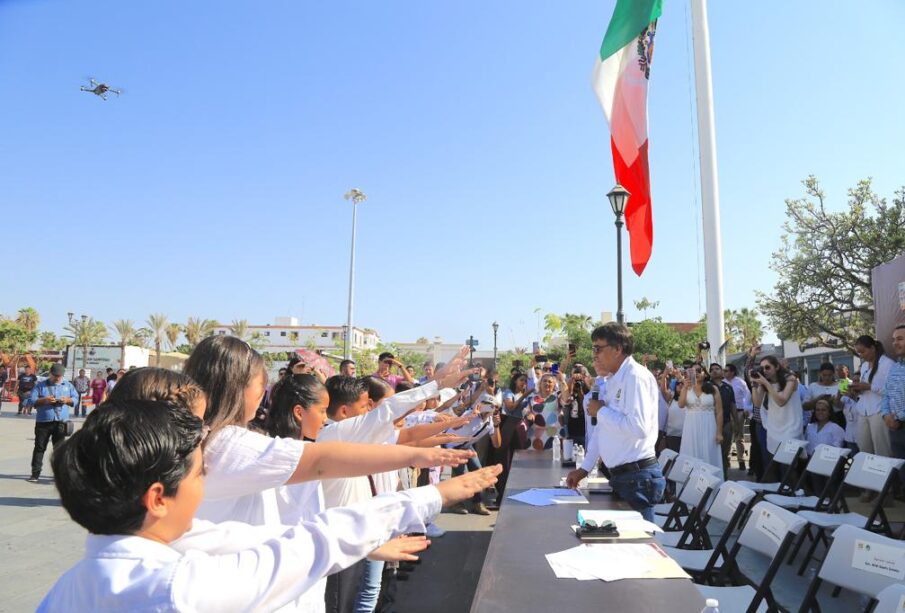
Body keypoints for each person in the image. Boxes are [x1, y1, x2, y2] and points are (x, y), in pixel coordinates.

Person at [38, 399, 501, 612]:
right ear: (158, 498)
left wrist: (373, 542)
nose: (204, 484)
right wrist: (432, 494)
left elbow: (258, 538)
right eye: (200, 473)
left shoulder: (68, 586)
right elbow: (307, 544)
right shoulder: (178, 590)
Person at [566, 323, 665, 522]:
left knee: (637, 548)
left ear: (618, 349)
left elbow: (639, 428)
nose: (594, 355)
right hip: (624, 477)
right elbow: (602, 431)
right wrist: (584, 468)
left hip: (637, 477)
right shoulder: (613, 379)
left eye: (598, 349)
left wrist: (600, 410)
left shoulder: (635, 377)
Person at [26, 363, 77, 482]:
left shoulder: (68, 385)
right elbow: (30, 401)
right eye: (55, 376)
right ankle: (35, 473)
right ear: (50, 373)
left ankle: (59, 475)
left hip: (61, 422)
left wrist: (67, 400)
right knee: (39, 447)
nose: (57, 378)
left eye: (59, 376)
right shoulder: (40, 386)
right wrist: (45, 400)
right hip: (43, 422)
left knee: (59, 450)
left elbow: (75, 398)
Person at [750, 355, 801, 472]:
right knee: (773, 467)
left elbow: (781, 401)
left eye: (767, 367)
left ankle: (791, 489)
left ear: (777, 367)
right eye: (762, 368)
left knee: (788, 468)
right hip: (774, 428)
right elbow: (757, 403)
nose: (764, 371)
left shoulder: (790, 379)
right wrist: (754, 384)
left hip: (791, 427)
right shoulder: (765, 382)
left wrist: (766, 384)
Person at [851, 334, 894, 460]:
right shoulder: (864, 366)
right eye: (858, 352)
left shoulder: (887, 364)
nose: (861, 355)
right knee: (864, 450)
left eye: (863, 351)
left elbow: (891, 390)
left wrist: (869, 387)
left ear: (873, 348)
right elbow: (864, 390)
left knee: (882, 451)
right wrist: (855, 390)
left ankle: (886, 478)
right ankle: (868, 478)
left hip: (879, 411)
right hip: (863, 411)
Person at [678, 365, 723, 471]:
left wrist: (719, 433)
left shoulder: (713, 388)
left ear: (705, 373)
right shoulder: (686, 388)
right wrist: (685, 387)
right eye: (693, 371)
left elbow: (720, 412)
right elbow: (681, 405)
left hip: (709, 427)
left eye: (699, 370)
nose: (696, 373)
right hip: (691, 429)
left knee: (709, 454)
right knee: (691, 454)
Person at [880, 324, 905, 463]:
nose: (895, 343)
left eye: (900, 339)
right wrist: (885, 415)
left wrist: (898, 418)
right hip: (895, 431)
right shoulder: (894, 367)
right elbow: (886, 394)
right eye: (893, 339)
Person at [708, 363, 735, 477]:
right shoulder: (706, 387)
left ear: (722, 371)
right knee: (712, 453)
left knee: (724, 453)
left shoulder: (728, 387)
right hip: (710, 425)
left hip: (726, 424)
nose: (714, 371)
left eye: (717, 369)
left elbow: (733, 405)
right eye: (712, 369)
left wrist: (737, 424)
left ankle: (723, 477)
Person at [724, 363, 751, 472]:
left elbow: (747, 396)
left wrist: (746, 409)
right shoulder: (723, 383)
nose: (724, 372)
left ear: (732, 372)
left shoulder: (741, 383)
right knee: (726, 437)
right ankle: (726, 460)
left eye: (726, 371)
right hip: (726, 413)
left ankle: (741, 460)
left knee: (739, 437)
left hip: (739, 412)